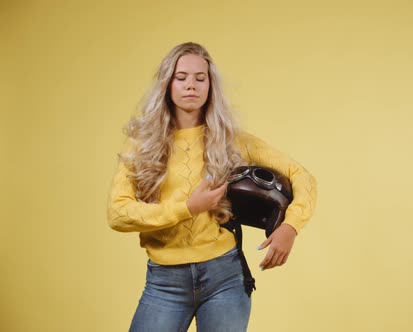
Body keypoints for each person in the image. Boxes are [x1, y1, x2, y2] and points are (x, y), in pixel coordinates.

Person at [106, 42, 317, 332]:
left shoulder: (232, 139)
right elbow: (118, 213)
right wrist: (189, 208)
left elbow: (301, 175)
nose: (190, 85)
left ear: (210, 86)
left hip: (225, 277)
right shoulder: (142, 145)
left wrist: (290, 227)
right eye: (181, 78)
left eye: (200, 78)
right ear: (167, 84)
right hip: (165, 282)